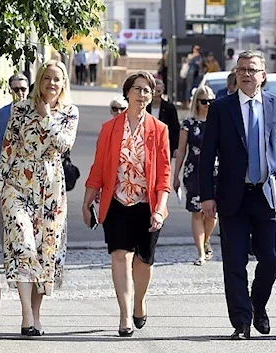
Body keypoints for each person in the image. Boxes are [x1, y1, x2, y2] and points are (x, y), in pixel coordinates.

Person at [199, 50, 276, 339]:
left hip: (268, 194)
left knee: (271, 257)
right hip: (233, 195)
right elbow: (207, 156)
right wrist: (206, 195)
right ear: (236, 73)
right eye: (241, 69)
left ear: (263, 75)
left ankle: (258, 305)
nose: (246, 74)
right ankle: (242, 322)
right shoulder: (221, 108)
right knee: (234, 262)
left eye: (252, 69)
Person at [0, 60, 79, 336]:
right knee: (23, 245)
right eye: (47, 78)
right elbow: (7, 149)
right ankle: (26, 314)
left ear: (63, 84)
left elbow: (64, 144)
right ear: (39, 80)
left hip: (50, 190)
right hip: (18, 186)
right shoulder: (19, 108)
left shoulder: (69, 113)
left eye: (57, 79)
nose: (52, 83)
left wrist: (47, 116)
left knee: (43, 253)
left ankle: (36, 316)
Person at [82, 71, 171, 337]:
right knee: (120, 256)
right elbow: (98, 167)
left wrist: (160, 207)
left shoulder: (159, 129)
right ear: (127, 92)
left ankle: (139, 303)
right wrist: (88, 202)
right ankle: (124, 316)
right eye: (137, 89)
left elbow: (164, 172)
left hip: (147, 203)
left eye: (147, 90)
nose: (142, 94)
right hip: (117, 201)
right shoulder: (109, 129)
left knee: (144, 261)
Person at [173, 85, 218, 266]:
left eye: (210, 101)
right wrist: (175, 175)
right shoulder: (189, 124)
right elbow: (181, 151)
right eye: (204, 101)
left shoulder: (219, 122)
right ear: (196, 102)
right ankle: (200, 252)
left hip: (216, 172)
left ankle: (206, 240)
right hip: (194, 172)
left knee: (212, 213)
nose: (207, 104)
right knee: (197, 212)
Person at [0, 74, 29, 184]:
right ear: (10, 91)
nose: (20, 93)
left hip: (26, 173)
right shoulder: (1, 114)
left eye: (23, 89)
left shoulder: (35, 113)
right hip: (4, 171)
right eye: (16, 90)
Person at [146, 79, 180, 157]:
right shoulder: (145, 107)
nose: (156, 95)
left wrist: (176, 147)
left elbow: (175, 128)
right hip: (147, 144)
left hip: (165, 144)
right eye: (154, 91)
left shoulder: (169, 108)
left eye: (159, 91)